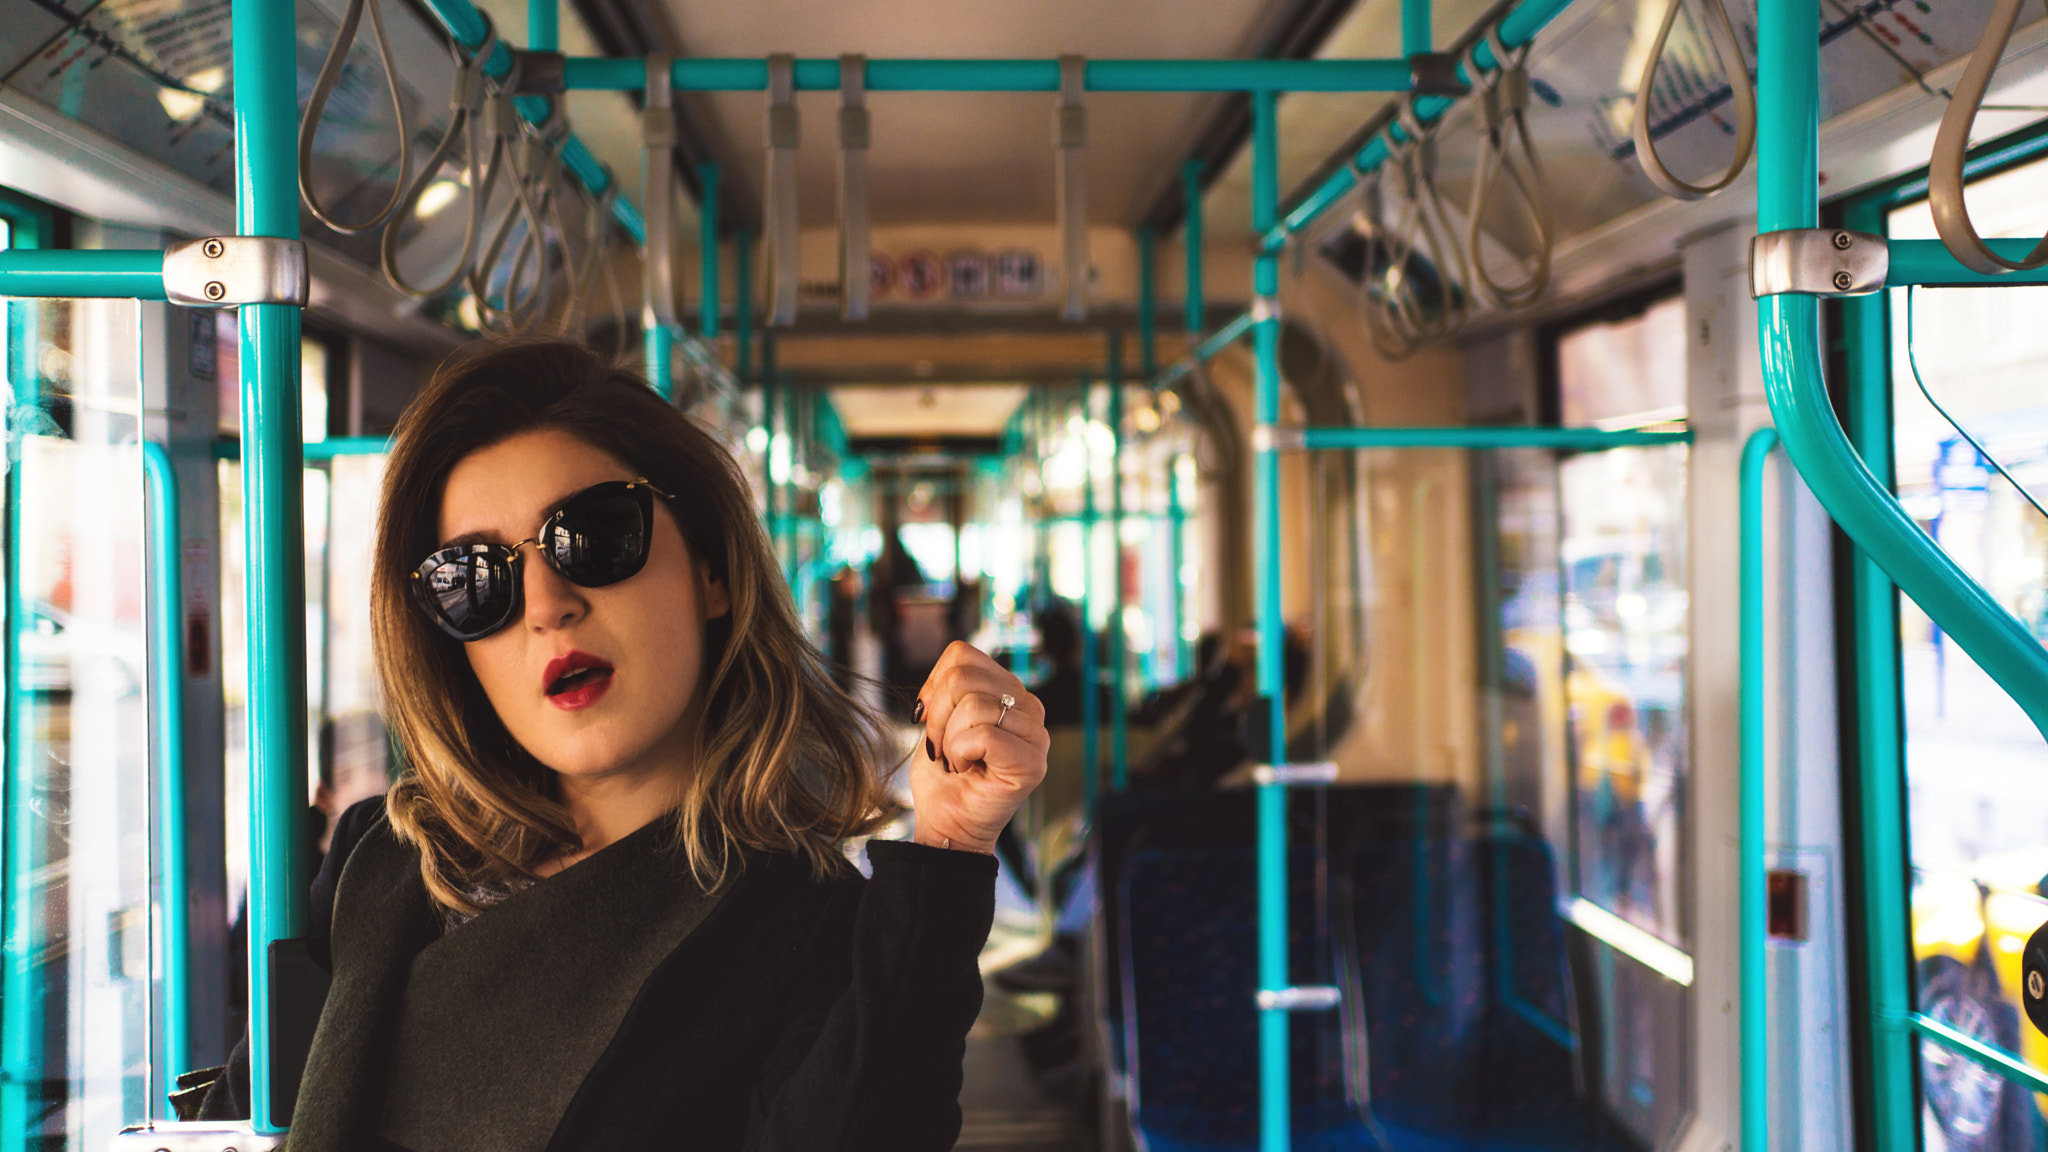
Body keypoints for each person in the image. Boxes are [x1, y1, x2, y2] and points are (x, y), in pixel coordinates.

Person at [192, 339, 1049, 1152]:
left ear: (711, 570)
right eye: (474, 580)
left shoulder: (804, 927)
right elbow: (258, 1109)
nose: (546, 604)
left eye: (595, 537)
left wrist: (950, 846)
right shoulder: (384, 862)